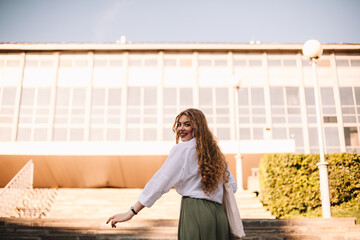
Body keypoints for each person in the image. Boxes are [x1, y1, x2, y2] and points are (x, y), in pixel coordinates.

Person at [106, 108, 237, 240]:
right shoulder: (215, 154)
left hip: (195, 212)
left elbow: (160, 181)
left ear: (198, 127)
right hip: (219, 216)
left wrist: (131, 212)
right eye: (179, 124)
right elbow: (233, 186)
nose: (181, 128)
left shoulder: (182, 149)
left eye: (187, 124)